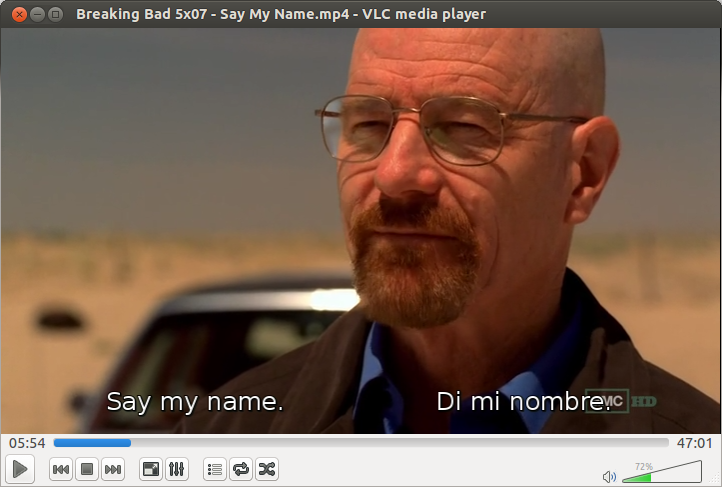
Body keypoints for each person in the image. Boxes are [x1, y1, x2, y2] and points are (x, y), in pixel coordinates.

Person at [176, 28, 720, 434]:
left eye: (463, 127)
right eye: (369, 124)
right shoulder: (218, 439)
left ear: (584, 174)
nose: (393, 175)